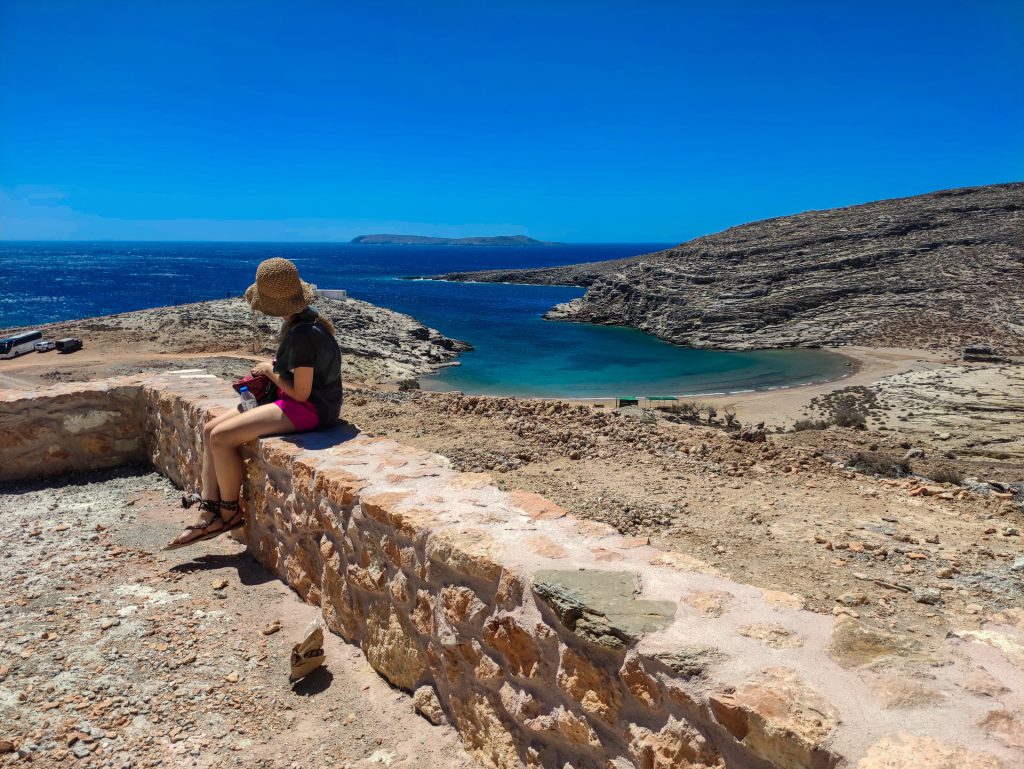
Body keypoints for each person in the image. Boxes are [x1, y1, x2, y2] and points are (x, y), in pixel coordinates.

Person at [166, 257, 343, 549]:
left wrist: (267, 371)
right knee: (211, 429)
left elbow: (301, 393)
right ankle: (208, 507)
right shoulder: (306, 324)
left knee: (222, 437)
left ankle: (228, 512)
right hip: (301, 402)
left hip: (309, 409)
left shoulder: (302, 335)